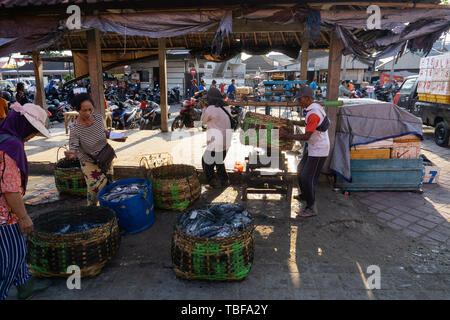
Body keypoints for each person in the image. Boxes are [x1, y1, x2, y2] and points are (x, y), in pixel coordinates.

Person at [0, 102, 52, 300]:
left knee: (17, 250)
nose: (31, 137)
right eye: (32, 132)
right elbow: (10, 189)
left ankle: (25, 285)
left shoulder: (2, 135)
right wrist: (23, 217)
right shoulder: (12, 145)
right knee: (10, 258)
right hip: (4, 216)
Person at [66, 93, 128, 206]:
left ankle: (108, 206)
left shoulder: (99, 118)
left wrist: (119, 137)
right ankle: (92, 208)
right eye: (84, 110)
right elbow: (73, 148)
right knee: (95, 187)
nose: (88, 113)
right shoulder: (75, 128)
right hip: (89, 161)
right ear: (77, 110)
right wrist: (71, 154)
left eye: (90, 109)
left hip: (105, 157)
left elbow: (105, 133)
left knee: (108, 183)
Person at [279, 86, 330, 218]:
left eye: (300, 99)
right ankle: (304, 195)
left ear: (307, 98)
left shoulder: (313, 113)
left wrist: (286, 135)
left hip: (319, 149)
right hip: (314, 147)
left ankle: (311, 207)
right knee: (300, 169)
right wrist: (294, 122)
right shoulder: (313, 107)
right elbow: (307, 123)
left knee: (307, 178)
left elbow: (306, 136)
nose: (299, 102)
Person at [201, 88, 232, 189]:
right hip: (226, 141)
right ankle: (225, 180)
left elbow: (203, 120)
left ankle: (214, 183)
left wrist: (204, 108)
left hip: (216, 142)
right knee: (219, 161)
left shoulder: (210, 109)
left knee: (206, 162)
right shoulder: (226, 107)